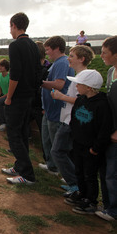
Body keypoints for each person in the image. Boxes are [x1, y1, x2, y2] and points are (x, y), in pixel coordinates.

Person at [0, 12, 41, 185]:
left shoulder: (16, 45)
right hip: (29, 95)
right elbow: (37, 72)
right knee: (23, 132)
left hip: (18, 97)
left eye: (10, 27)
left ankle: (28, 174)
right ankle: (19, 166)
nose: (10, 31)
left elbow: (14, 75)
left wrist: (9, 97)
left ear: (14, 25)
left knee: (14, 134)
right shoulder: (33, 45)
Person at [64, 70, 112, 215]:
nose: (76, 86)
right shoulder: (80, 99)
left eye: (79, 84)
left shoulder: (102, 105)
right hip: (78, 143)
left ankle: (91, 200)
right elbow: (74, 118)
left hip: (91, 147)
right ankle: (82, 193)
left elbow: (105, 128)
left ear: (89, 87)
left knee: (89, 174)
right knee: (79, 170)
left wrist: (96, 147)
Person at [50, 45, 95, 197]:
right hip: (68, 119)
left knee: (57, 151)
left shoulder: (84, 78)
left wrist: (61, 97)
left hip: (70, 121)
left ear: (82, 59)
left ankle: (75, 184)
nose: (68, 58)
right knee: (65, 152)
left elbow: (82, 101)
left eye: (72, 56)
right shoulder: (78, 76)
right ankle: (76, 183)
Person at [39, 36, 75, 176]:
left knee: (56, 143)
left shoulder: (62, 63)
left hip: (57, 110)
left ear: (57, 49)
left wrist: (40, 83)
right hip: (49, 109)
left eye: (48, 50)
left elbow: (59, 84)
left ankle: (63, 171)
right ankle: (52, 166)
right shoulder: (57, 63)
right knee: (47, 140)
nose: (47, 53)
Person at [97, 35, 117, 221]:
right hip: (108, 127)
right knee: (106, 170)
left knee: (112, 171)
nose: (101, 55)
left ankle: (113, 211)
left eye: (105, 53)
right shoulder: (111, 71)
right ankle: (108, 205)